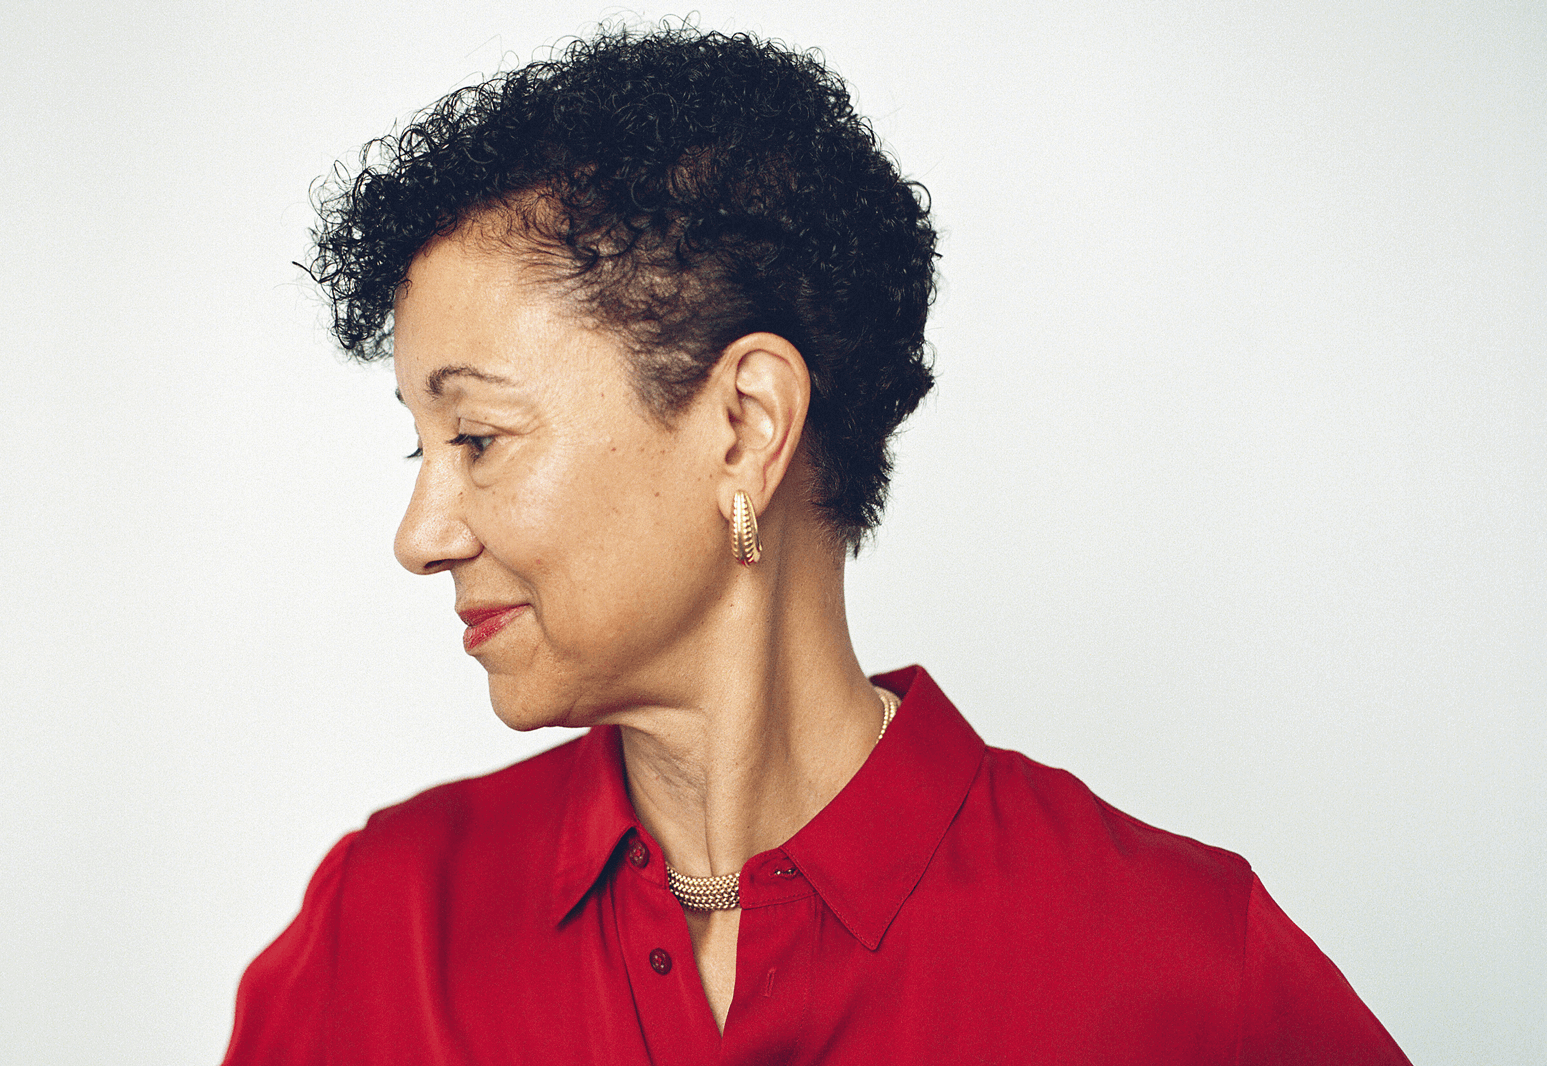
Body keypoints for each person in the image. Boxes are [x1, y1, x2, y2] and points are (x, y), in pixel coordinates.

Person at [222, 25, 1410, 1065]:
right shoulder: (375, 934)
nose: (419, 536)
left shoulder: (1186, 970)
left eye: (478, 436)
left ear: (745, 427)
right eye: (418, 447)